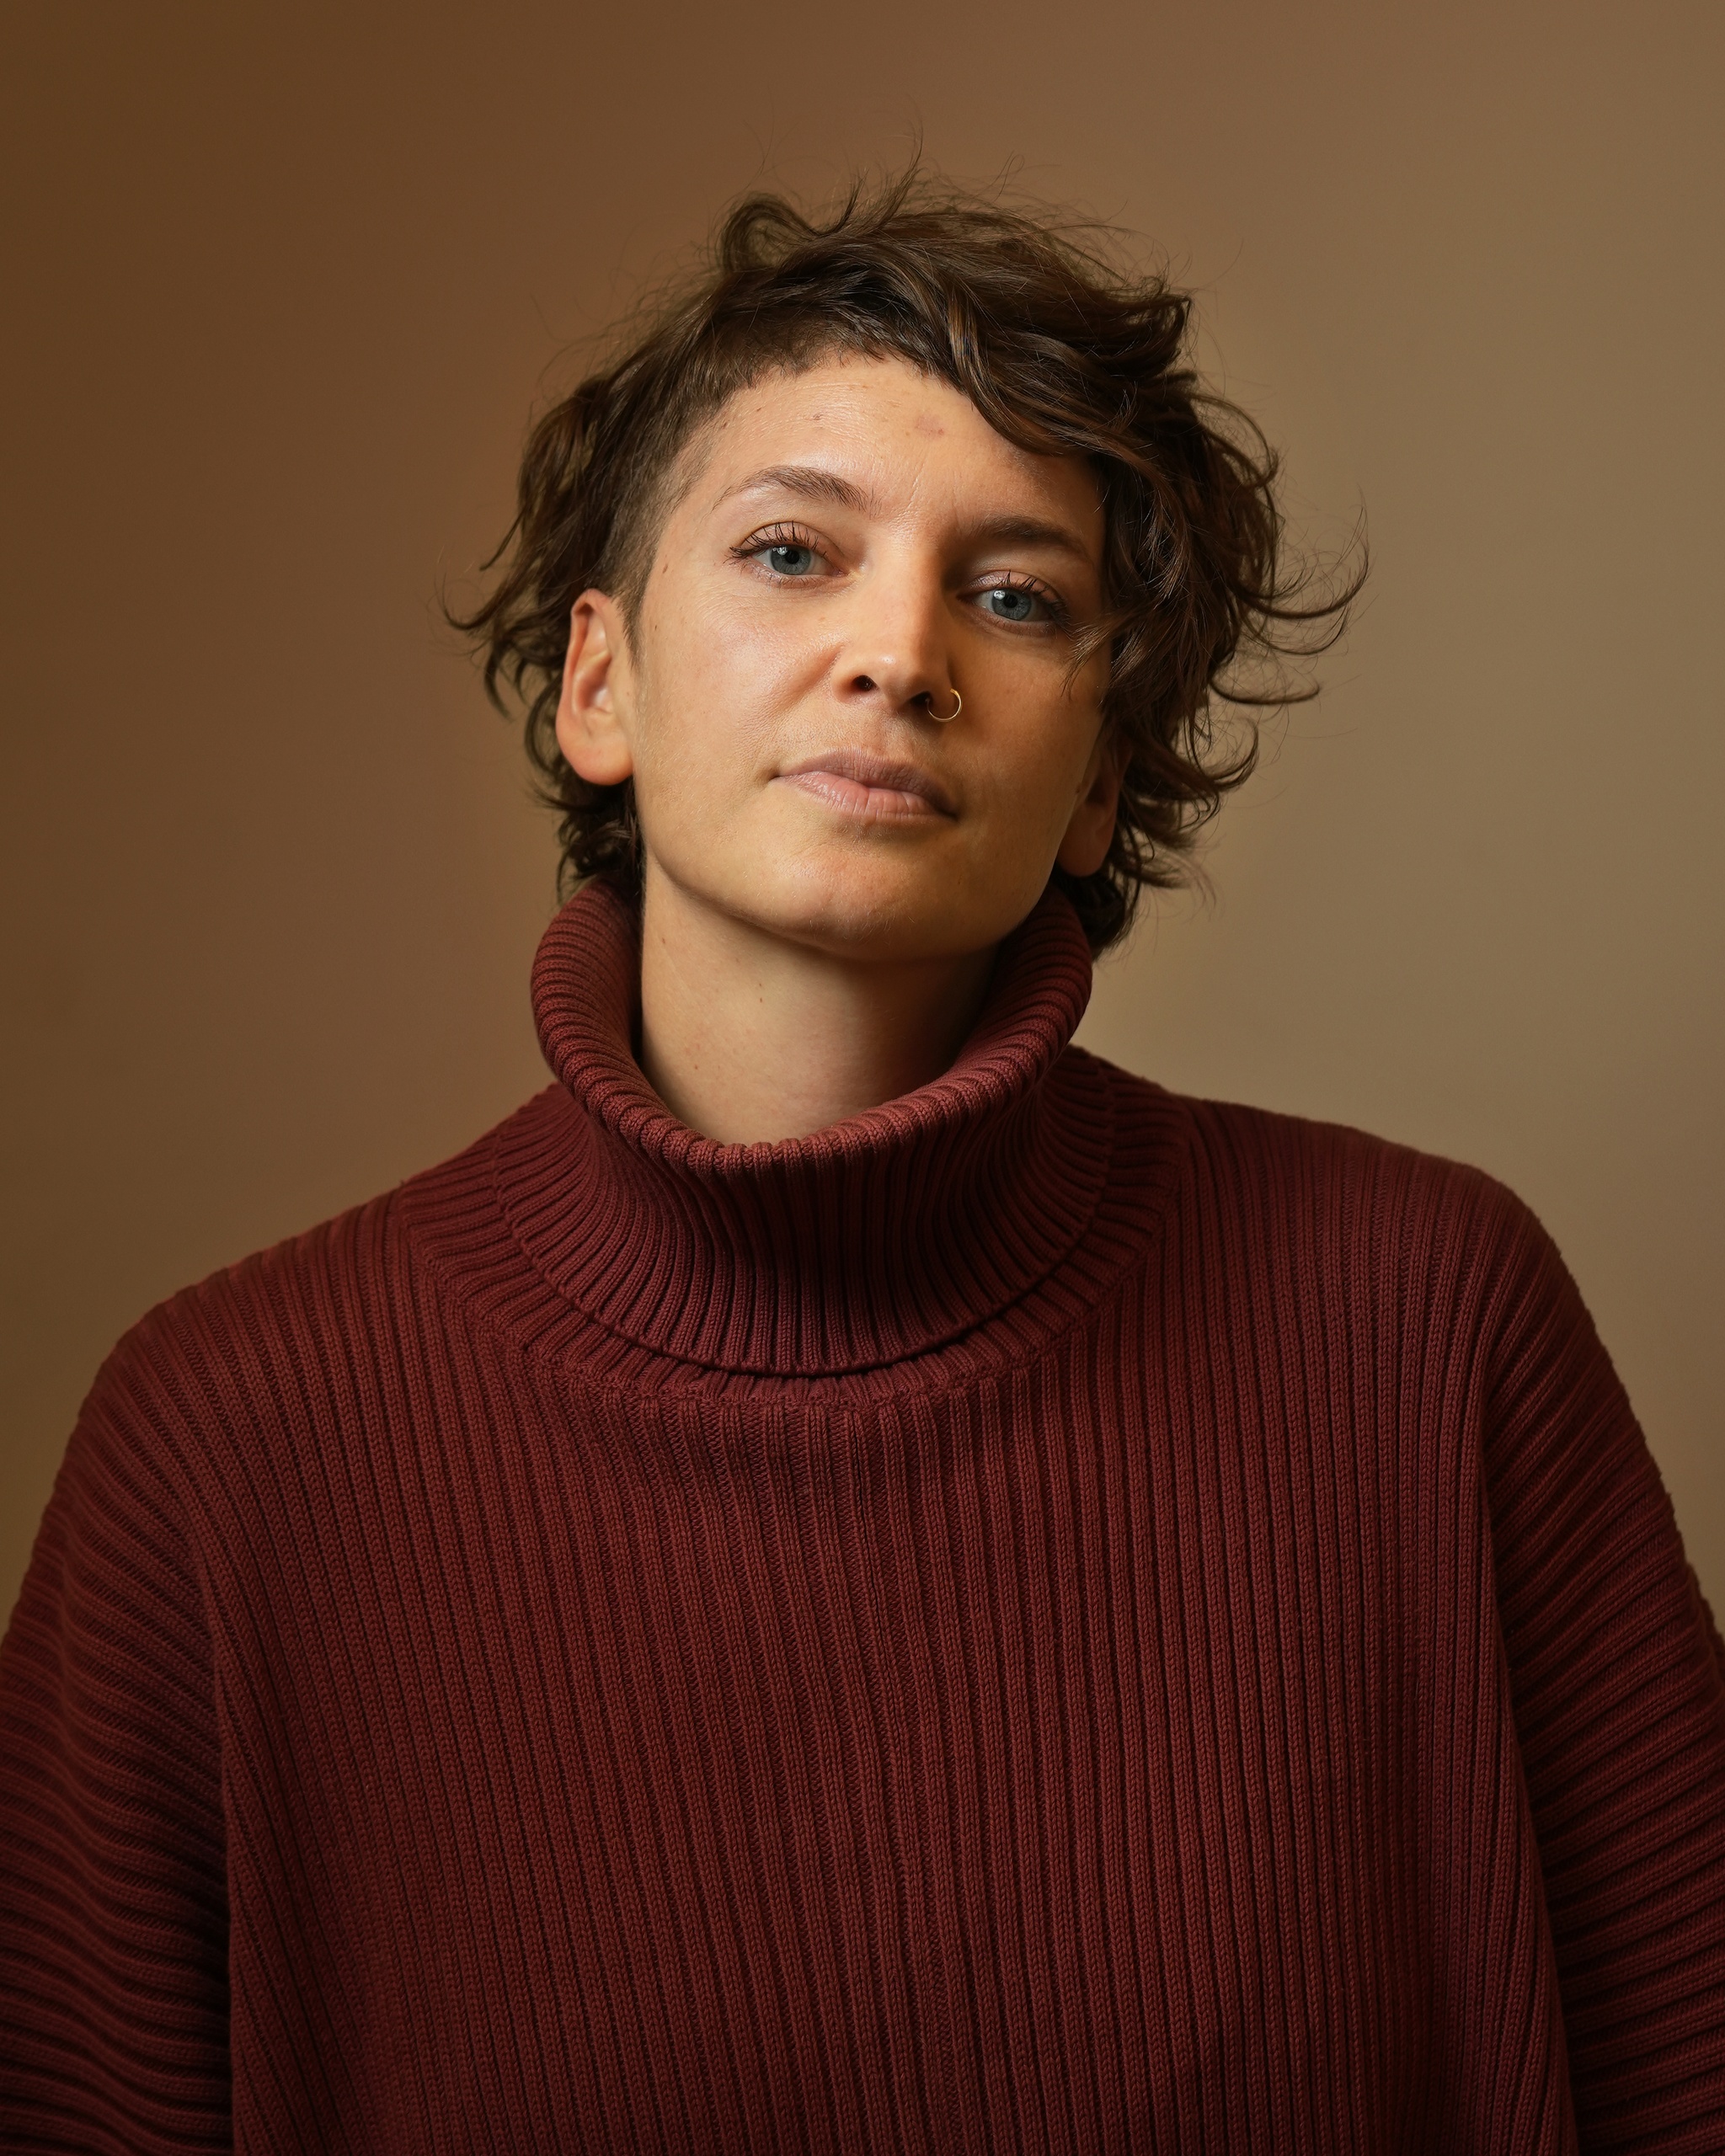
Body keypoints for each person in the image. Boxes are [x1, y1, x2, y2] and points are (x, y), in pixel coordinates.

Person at [3, 173, 1722, 2153]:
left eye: (1015, 596)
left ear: (1096, 778)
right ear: (600, 686)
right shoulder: (222, 1442)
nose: (897, 652)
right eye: (792, 550)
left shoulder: (1428, 1318)